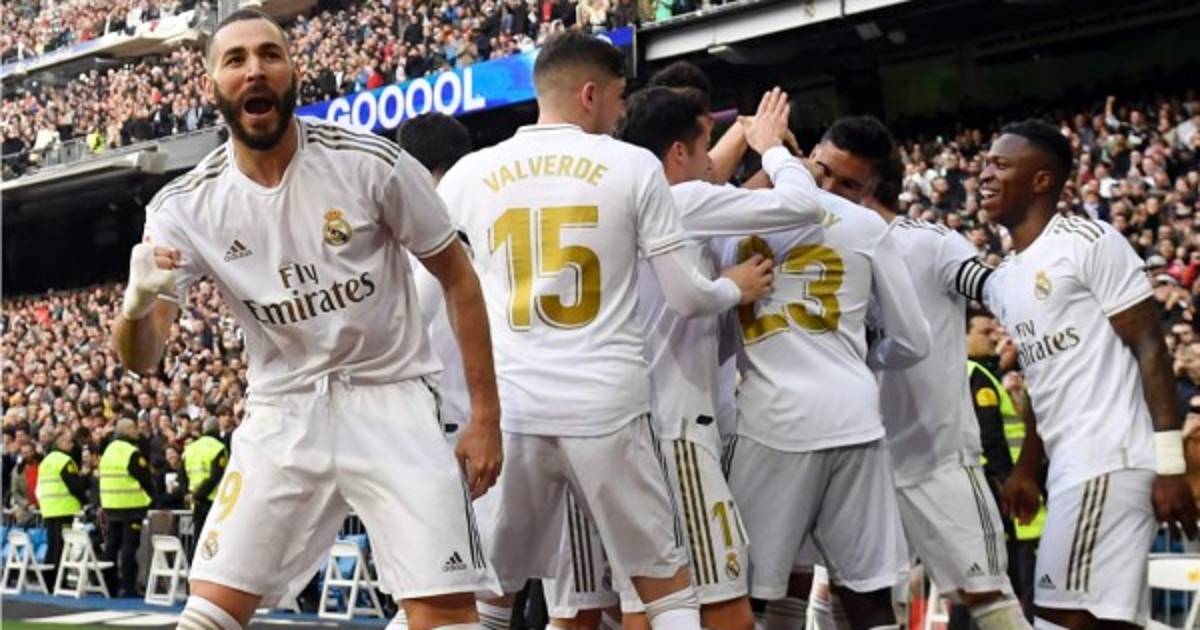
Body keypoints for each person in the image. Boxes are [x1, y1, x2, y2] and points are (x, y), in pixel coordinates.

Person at [111, 9, 502, 630]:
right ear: (212, 85)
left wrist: (485, 417)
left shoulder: (370, 163)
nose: (254, 69)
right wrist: (134, 309)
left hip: (392, 401)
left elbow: (459, 276)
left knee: (446, 615)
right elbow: (143, 357)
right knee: (207, 615)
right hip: (283, 411)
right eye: (235, 59)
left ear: (295, 72)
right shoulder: (184, 208)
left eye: (270, 54)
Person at [437, 31, 769, 630]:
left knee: (490, 595)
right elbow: (688, 296)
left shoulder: (469, 173)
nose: (621, 115)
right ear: (590, 94)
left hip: (516, 414)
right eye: (618, 98)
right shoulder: (632, 165)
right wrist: (732, 288)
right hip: (607, 410)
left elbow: (425, 293)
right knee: (664, 589)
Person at [980, 119, 1198, 629]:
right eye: (986, 163)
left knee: (1059, 617)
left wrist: (1170, 465)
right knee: (1100, 621)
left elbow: (1151, 347)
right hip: (1071, 467)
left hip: (1109, 458)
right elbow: (1044, 378)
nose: (985, 175)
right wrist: (1028, 467)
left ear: (1042, 180)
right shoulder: (1006, 278)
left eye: (1001, 165)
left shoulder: (1087, 242)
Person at [719, 115, 931, 630]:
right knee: (866, 595)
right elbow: (912, 340)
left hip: (772, 422)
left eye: (847, 184)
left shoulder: (736, 216)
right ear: (809, 154)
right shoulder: (868, 227)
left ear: (872, 188)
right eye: (825, 172)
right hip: (854, 420)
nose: (829, 188)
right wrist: (859, 358)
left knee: (745, 594)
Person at [855, 145, 1033, 629]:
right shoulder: (828, 248)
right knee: (854, 603)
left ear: (865, 184)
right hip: (859, 460)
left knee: (985, 593)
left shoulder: (930, 244)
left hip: (936, 457)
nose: (821, 187)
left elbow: (993, 288)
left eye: (834, 177)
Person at [966, 310, 1043, 619]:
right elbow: (991, 440)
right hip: (1006, 495)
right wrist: (1006, 488)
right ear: (963, 336)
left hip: (1000, 493)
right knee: (1003, 590)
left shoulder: (978, 373)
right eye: (985, 332)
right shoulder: (976, 374)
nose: (994, 338)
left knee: (981, 589)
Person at [99, 417, 156, 597]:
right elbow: (145, 478)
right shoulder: (131, 452)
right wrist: (153, 497)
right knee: (129, 548)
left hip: (111, 505)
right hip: (131, 507)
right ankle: (129, 587)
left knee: (111, 547)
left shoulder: (108, 450)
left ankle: (109, 587)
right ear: (127, 430)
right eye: (134, 428)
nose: (137, 431)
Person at [37, 428, 88, 584]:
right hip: (64, 508)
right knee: (61, 547)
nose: (72, 445)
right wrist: (85, 501)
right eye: (69, 442)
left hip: (49, 508)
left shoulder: (45, 461)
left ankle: (48, 580)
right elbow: (74, 486)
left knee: (52, 545)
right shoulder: (65, 461)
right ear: (61, 443)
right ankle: (58, 581)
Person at [182, 417, 227, 554]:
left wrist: (189, 494)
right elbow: (216, 476)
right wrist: (199, 495)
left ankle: (193, 565)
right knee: (214, 541)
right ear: (218, 429)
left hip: (195, 502)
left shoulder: (190, 448)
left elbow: (182, 474)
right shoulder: (219, 448)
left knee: (198, 539)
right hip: (213, 501)